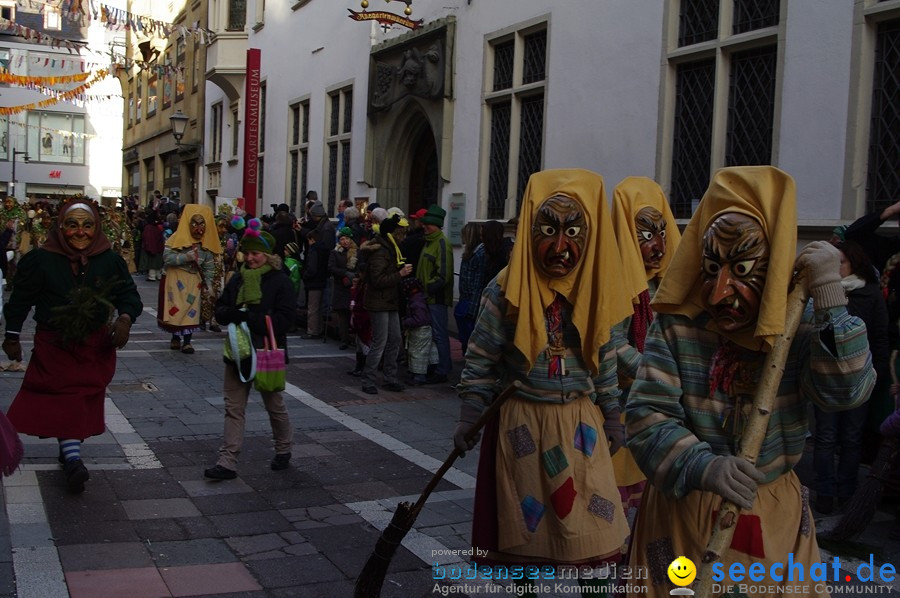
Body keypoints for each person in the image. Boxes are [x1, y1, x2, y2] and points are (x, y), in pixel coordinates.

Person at [624, 166, 876, 597]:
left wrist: (830, 296)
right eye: (710, 268)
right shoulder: (677, 327)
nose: (721, 292)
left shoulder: (798, 323)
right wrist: (703, 465)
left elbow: (846, 393)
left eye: (743, 268)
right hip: (686, 511)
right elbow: (647, 416)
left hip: (773, 512)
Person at [454, 169, 634, 597]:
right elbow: (481, 357)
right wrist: (469, 415)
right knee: (525, 525)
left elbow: (604, 355)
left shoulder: (595, 289)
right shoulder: (506, 289)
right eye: (548, 231)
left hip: (581, 424)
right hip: (522, 424)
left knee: (594, 519)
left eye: (573, 232)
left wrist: (612, 413)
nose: (559, 247)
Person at [2, 199, 142, 493]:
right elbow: (20, 300)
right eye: (72, 225)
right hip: (55, 341)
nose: (80, 232)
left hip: (94, 343)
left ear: (97, 227)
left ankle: (69, 452)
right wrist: (12, 336)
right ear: (61, 227)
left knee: (80, 398)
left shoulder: (109, 259)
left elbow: (128, 293)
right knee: (67, 395)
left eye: (87, 225)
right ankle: (73, 459)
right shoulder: (41, 260)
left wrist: (126, 319)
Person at [608, 176, 682, 522]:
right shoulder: (615, 281)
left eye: (662, 233)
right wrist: (652, 371)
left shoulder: (662, 281)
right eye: (646, 235)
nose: (658, 246)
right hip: (624, 405)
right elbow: (610, 341)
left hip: (662, 411)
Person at [205, 224, 296, 480]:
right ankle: (227, 462)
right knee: (233, 407)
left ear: (268, 255)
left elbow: (285, 320)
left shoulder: (280, 281)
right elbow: (221, 309)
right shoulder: (238, 279)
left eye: (256, 253)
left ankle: (283, 448)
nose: (251, 257)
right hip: (237, 353)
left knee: (274, 406)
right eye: (247, 253)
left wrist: (250, 318)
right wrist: (231, 314)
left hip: (267, 352)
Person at [812, 240, 888, 514]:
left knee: (852, 438)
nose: (836, 268)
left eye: (840, 262)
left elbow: (880, 337)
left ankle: (846, 495)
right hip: (827, 379)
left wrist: (875, 374)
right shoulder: (820, 294)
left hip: (859, 379)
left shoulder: (869, 294)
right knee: (825, 437)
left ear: (854, 263)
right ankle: (824, 494)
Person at [357, 212, 414, 394]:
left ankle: (390, 377)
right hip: (379, 301)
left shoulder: (390, 248)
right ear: (395, 234)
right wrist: (400, 274)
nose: (404, 238)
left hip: (390, 300)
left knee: (395, 339)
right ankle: (368, 380)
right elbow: (377, 280)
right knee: (380, 341)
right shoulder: (380, 251)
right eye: (402, 233)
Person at [157, 205, 222, 354]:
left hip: (194, 280)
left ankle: (187, 341)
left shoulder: (207, 242)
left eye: (202, 224)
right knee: (175, 309)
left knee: (191, 310)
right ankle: (175, 337)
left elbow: (209, 265)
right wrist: (185, 257)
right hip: (175, 278)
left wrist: (209, 284)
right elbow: (167, 257)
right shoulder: (175, 238)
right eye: (195, 223)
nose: (199, 228)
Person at [416, 204, 454, 384]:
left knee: (439, 334)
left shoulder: (441, 243)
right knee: (430, 334)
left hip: (435, 297)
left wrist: (427, 288)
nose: (424, 226)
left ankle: (443, 369)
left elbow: (444, 275)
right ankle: (434, 365)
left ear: (436, 225)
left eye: (427, 224)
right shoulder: (429, 242)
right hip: (426, 296)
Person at [328, 227, 359, 350]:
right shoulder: (335, 252)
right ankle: (344, 339)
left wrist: (355, 276)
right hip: (341, 286)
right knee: (343, 315)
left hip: (354, 286)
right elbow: (331, 268)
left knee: (355, 314)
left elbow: (361, 266)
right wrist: (345, 273)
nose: (344, 241)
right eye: (342, 239)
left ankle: (357, 339)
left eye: (346, 238)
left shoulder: (357, 251)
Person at [455, 221, 482, 353]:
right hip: (464, 300)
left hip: (470, 302)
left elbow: (477, 283)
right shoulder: (470, 253)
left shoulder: (478, 254)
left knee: (470, 339)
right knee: (465, 338)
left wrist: (471, 309)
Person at [401, 276, 432, 386]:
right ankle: (417, 374)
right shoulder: (418, 298)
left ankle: (419, 376)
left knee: (418, 353)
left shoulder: (416, 301)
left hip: (420, 330)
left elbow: (419, 319)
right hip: (421, 330)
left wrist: (406, 321)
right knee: (417, 353)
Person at [301, 229, 330, 339]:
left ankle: (312, 330)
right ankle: (319, 329)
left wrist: (305, 275)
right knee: (318, 307)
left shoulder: (314, 250)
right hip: (322, 279)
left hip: (314, 281)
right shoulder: (324, 250)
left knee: (312, 307)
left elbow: (312, 267)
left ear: (312, 239)